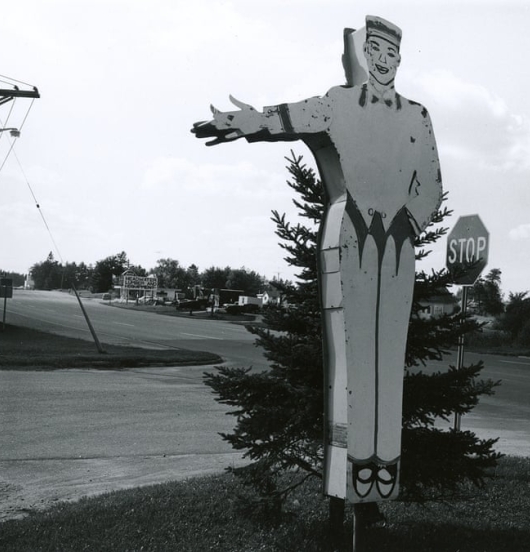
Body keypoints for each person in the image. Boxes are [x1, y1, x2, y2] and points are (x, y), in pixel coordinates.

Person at [193, 15, 442, 504]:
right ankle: (357, 466)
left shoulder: (417, 115)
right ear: (361, 54)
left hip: (398, 246)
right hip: (353, 236)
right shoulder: (340, 103)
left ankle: (384, 463)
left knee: (389, 353)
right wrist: (245, 122)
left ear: (400, 58)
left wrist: (408, 224)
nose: (384, 61)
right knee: (356, 352)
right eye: (376, 50)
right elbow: (287, 117)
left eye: (393, 53)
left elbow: (432, 183)